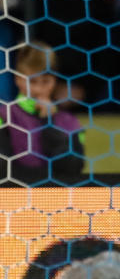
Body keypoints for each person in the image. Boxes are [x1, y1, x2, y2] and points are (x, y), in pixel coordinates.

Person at [0, 42, 85, 185]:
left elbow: (73, 169)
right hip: (14, 199)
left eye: (46, 81)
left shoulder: (70, 123)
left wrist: (49, 122)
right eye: (32, 81)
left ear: (55, 81)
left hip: (55, 199)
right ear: (17, 79)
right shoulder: (5, 115)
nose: (38, 89)